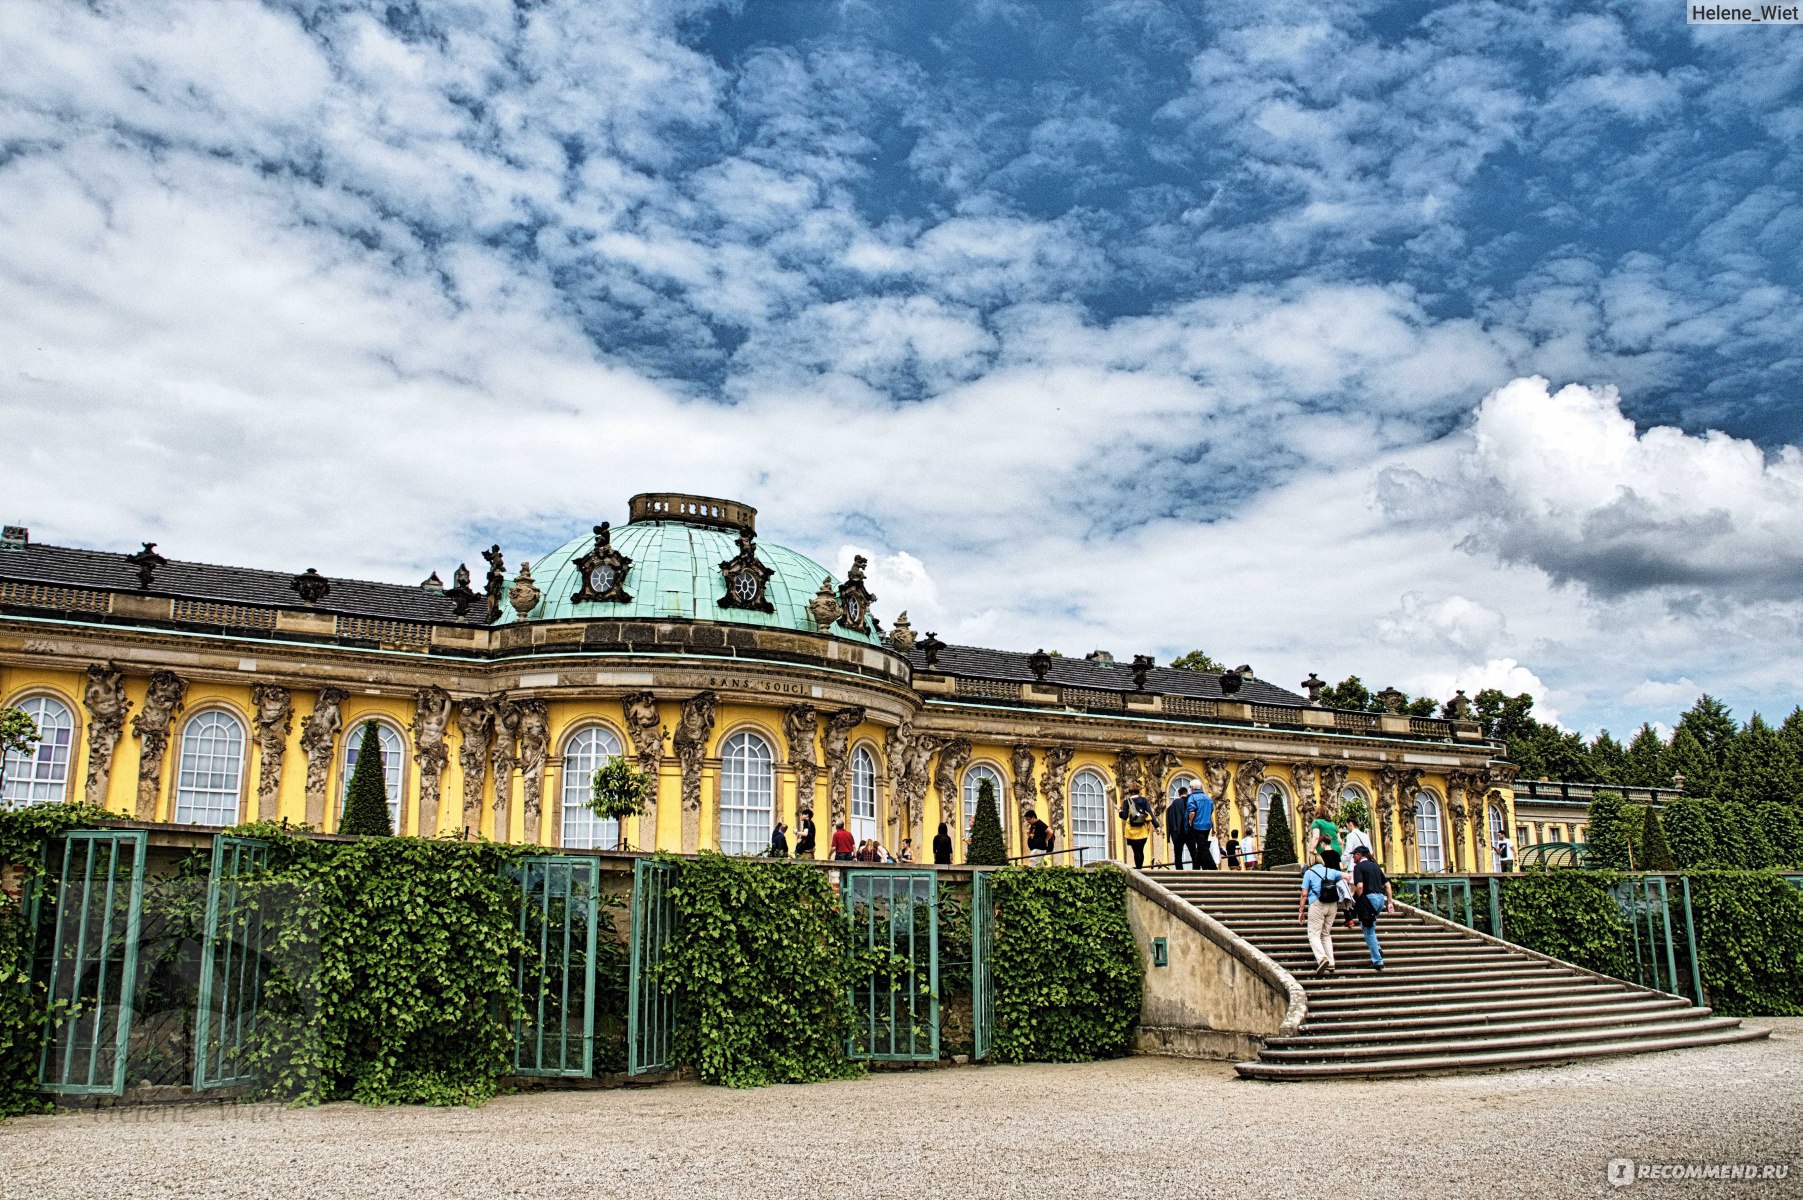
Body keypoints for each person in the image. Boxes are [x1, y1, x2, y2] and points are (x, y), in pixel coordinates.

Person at [1299, 851, 1344, 976]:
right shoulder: (1330, 871)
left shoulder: (1309, 873)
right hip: (1332, 904)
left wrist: (1301, 910)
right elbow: (1348, 877)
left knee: (1313, 934)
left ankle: (1322, 958)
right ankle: (1331, 962)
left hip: (1317, 904)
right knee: (1326, 933)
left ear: (1310, 862)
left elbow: (1304, 894)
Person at [1350, 845, 1393, 971]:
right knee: (1369, 925)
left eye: (1354, 854)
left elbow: (1359, 887)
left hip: (1369, 898)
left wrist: (1359, 900)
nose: (1353, 857)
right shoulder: (1375, 866)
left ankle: (1377, 960)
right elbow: (1388, 885)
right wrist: (1389, 902)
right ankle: (1377, 948)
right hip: (1380, 899)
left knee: (1368, 930)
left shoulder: (1358, 867)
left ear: (1359, 855)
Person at [1119, 787, 1155, 869]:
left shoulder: (1126, 801)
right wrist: (1157, 826)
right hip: (1143, 829)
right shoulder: (1144, 800)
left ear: (1130, 792)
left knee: (1136, 851)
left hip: (1132, 830)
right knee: (1141, 850)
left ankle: (1138, 870)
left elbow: (1124, 816)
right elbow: (1151, 814)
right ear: (1139, 791)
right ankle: (1140, 868)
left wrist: (1119, 811)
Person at [1185, 787, 1216, 869]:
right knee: (1200, 847)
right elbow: (1210, 813)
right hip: (1207, 826)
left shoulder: (1192, 797)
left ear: (1192, 788)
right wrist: (1213, 827)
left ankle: (1213, 868)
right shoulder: (1208, 798)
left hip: (1197, 825)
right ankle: (1197, 867)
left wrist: (1190, 821)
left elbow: (1192, 812)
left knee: (1203, 847)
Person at [1165, 787, 1191, 869]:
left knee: (1178, 855)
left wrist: (1171, 834)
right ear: (1186, 792)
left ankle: (1180, 872)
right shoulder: (1191, 801)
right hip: (1190, 832)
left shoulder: (1174, 804)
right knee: (1194, 853)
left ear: (1179, 794)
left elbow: (1170, 817)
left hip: (1178, 833)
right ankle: (1196, 871)